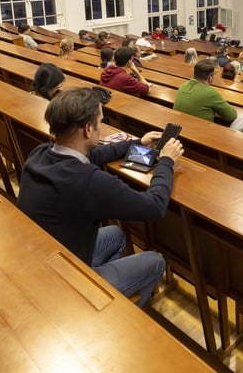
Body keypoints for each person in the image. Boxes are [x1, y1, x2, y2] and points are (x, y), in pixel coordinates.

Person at [16, 88, 183, 307]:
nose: (101, 126)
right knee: (154, 261)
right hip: (65, 281)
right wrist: (167, 162)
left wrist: (137, 144)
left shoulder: (41, 152)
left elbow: (92, 155)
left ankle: (103, 295)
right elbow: (154, 206)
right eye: (100, 121)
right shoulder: (88, 181)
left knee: (116, 234)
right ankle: (104, 311)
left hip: (41, 261)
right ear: (87, 129)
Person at [173, 60, 238, 123]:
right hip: (200, 131)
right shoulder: (210, 93)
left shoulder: (183, 85)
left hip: (180, 126)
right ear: (210, 78)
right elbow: (232, 116)